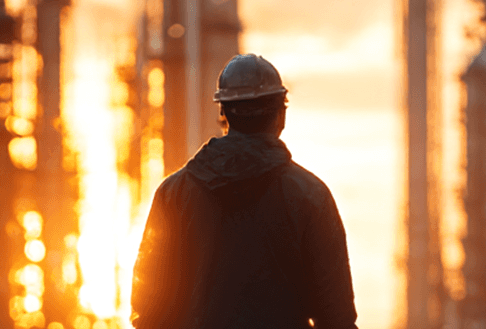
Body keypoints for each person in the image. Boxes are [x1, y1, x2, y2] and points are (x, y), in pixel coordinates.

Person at [132, 54, 358, 329]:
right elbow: (337, 317)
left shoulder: (174, 193)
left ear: (223, 113)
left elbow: (148, 307)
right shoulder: (311, 197)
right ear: (281, 114)